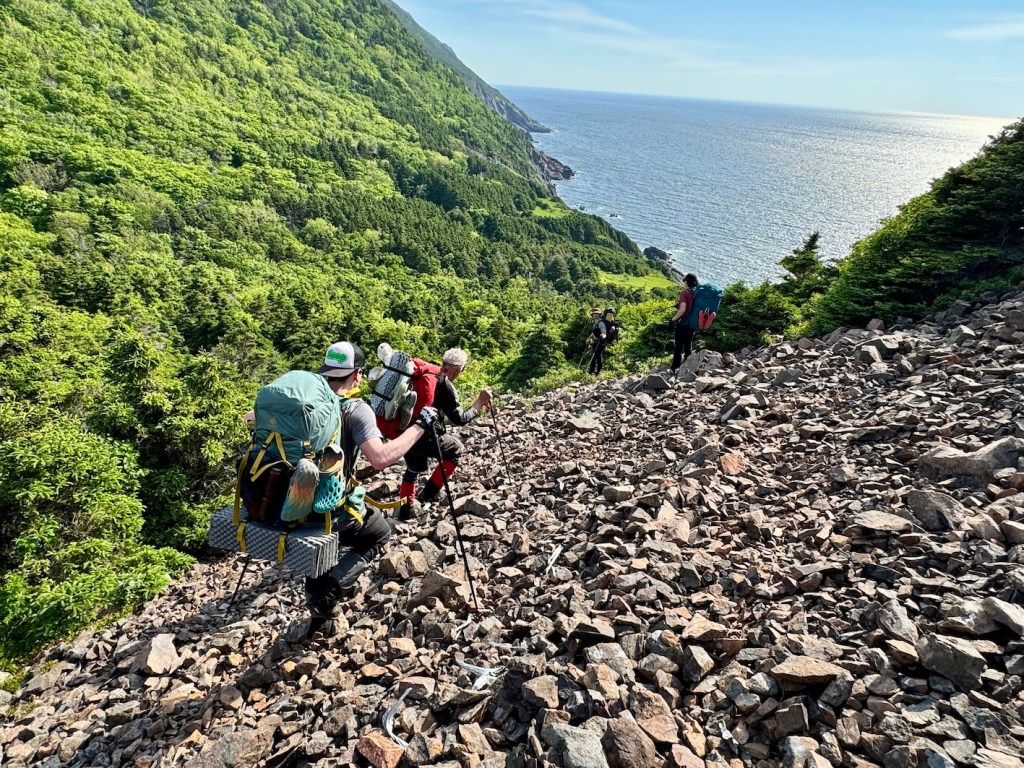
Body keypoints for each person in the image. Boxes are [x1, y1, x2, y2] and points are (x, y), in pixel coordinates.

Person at [303, 341, 440, 639]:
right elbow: (380, 458)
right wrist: (418, 426)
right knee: (379, 533)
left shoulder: (304, 402)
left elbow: (252, 419)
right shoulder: (355, 409)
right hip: (331, 505)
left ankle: (320, 609)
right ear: (357, 375)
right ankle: (326, 594)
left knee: (323, 537)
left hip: (293, 503)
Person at [398, 348, 491, 520]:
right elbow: (460, 419)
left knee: (412, 470)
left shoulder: (423, 375)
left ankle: (405, 509)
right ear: (458, 368)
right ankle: (427, 495)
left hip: (405, 432)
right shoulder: (444, 383)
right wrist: (479, 402)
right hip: (424, 435)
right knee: (456, 450)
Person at [669, 273, 699, 373]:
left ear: (686, 282)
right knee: (688, 345)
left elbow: (682, 310)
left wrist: (672, 320)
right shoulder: (696, 292)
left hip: (683, 323)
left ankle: (674, 368)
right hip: (693, 324)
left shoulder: (684, 293)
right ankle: (688, 367)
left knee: (678, 346)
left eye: (684, 281)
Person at [587, 307, 612, 375]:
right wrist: (589, 339)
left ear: (599, 314)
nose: (595, 315)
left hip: (601, 342)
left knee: (594, 357)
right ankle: (598, 372)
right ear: (592, 315)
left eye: (597, 314)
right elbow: (593, 333)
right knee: (598, 357)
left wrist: (603, 336)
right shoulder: (595, 323)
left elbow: (604, 332)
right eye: (594, 314)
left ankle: (591, 372)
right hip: (596, 342)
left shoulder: (601, 323)